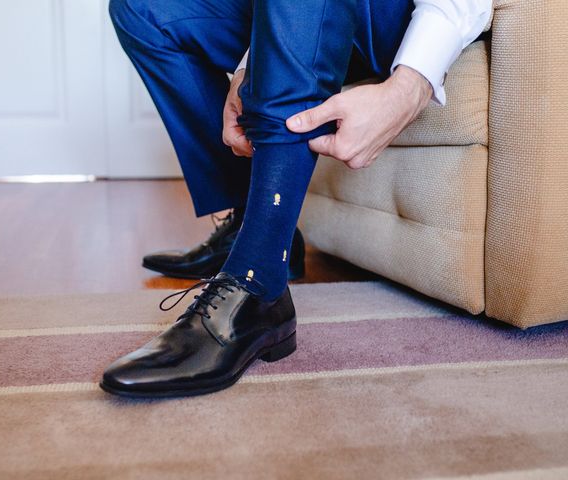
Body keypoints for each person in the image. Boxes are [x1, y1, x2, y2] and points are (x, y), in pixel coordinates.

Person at [100, 0, 492, 398]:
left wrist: (411, 86)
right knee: (142, 11)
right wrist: (249, 67)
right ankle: (255, 232)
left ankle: (256, 280)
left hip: (400, 16)